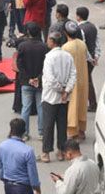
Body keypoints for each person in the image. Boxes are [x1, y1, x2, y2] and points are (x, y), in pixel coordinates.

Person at [41, 31, 76, 163]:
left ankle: (46, 152)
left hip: (51, 97)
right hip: (64, 98)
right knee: (62, 125)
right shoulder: (68, 56)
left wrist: (61, 90)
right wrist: (66, 91)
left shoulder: (49, 57)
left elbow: (50, 79)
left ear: (52, 41)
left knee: (48, 126)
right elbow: (73, 75)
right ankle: (61, 151)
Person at [17, 22, 48, 139]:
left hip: (26, 82)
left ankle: (24, 133)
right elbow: (46, 66)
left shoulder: (22, 46)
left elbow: (20, 65)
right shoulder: (44, 47)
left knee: (25, 108)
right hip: (40, 82)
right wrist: (38, 78)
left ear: (28, 32)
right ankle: (41, 132)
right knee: (41, 107)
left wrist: (28, 78)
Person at [0, 118, 42, 194]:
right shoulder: (28, 151)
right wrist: (37, 189)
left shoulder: (1, 146)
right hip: (24, 188)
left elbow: (0, 168)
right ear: (24, 132)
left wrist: (4, 179)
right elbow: (32, 174)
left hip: (8, 186)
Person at [62, 22, 89, 141]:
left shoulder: (66, 47)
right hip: (83, 78)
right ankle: (82, 130)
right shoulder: (82, 44)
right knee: (82, 104)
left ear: (65, 33)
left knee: (72, 105)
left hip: (71, 80)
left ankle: (73, 132)